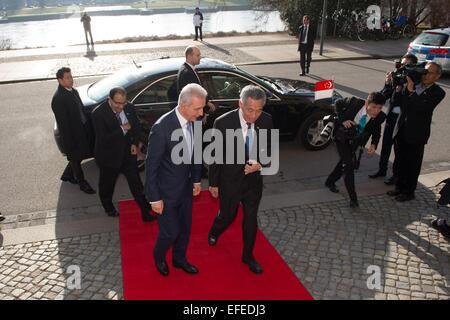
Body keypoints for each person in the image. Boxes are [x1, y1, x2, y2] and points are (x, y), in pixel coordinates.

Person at [207, 85, 274, 274]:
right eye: (249, 110)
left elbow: (269, 147)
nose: (254, 115)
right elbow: (215, 155)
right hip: (230, 180)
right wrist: (213, 183)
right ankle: (215, 231)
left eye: (259, 110)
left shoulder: (266, 120)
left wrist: (260, 163)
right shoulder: (223, 122)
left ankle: (248, 256)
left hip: (253, 182)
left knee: (251, 219)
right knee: (228, 216)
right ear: (240, 104)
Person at [145, 83, 205, 276]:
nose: (201, 113)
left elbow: (196, 153)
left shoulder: (195, 122)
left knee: (185, 230)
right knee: (171, 232)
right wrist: (154, 198)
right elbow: (151, 166)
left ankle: (179, 260)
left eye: (202, 107)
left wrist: (196, 179)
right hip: (166, 193)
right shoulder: (161, 128)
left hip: (186, 189)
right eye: (198, 108)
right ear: (183, 105)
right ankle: (158, 256)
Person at [91, 87, 154, 221]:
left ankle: (145, 211)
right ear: (110, 99)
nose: (121, 106)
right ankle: (108, 208)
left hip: (127, 154)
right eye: (117, 103)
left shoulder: (129, 107)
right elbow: (104, 138)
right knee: (107, 185)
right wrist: (122, 128)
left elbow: (136, 127)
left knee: (136, 183)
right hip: (109, 156)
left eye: (123, 103)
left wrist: (134, 143)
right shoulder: (98, 113)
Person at [387, 62, 445, 202]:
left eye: (429, 73)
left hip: (417, 134)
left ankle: (409, 192)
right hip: (401, 129)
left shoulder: (438, 92)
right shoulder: (414, 83)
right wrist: (399, 86)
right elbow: (398, 101)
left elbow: (422, 107)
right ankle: (399, 187)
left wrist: (411, 91)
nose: (425, 75)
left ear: (437, 76)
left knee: (412, 164)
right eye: (424, 71)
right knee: (399, 161)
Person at [325, 92, 386, 208]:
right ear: (367, 103)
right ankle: (353, 199)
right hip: (341, 137)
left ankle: (330, 181)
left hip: (355, 140)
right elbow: (337, 103)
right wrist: (343, 120)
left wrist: (374, 144)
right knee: (348, 165)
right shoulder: (354, 102)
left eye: (379, 108)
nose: (376, 111)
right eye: (373, 107)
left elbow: (377, 130)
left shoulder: (381, 116)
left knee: (344, 161)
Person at [369, 53, 418, 184]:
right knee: (385, 146)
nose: (402, 67)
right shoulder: (397, 78)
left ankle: (396, 176)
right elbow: (382, 97)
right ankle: (382, 170)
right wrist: (387, 83)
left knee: (398, 150)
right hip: (391, 118)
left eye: (405, 65)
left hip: (403, 122)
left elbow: (410, 101)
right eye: (401, 64)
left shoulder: (415, 82)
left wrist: (407, 86)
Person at [51, 67, 96, 195]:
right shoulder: (58, 99)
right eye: (68, 78)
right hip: (73, 136)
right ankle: (82, 183)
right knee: (76, 157)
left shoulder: (73, 91)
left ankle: (67, 176)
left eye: (71, 76)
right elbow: (64, 125)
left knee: (78, 158)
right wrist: (70, 144)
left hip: (83, 131)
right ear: (60, 80)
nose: (71, 79)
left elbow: (80, 110)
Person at [177, 45, 216, 114]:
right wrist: (202, 114)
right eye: (197, 55)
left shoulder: (189, 69)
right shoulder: (187, 73)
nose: (200, 57)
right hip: (194, 114)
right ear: (189, 56)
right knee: (197, 125)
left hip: (196, 112)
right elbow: (192, 96)